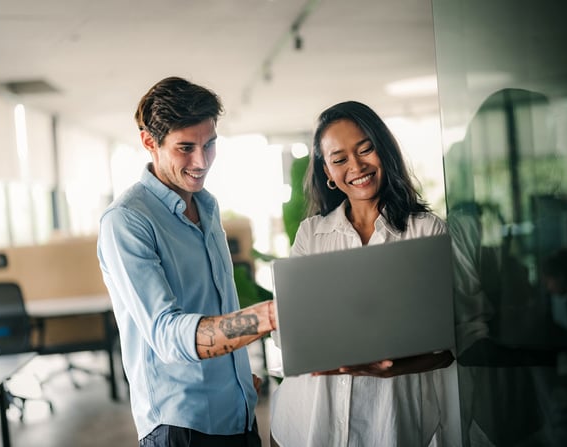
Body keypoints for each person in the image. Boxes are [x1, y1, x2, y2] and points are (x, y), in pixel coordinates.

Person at [97, 76, 276, 447]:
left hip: (238, 415)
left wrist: (237, 378)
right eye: (185, 147)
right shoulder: (127, 221)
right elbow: (166, 333)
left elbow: (214, 308)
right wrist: (268, 316)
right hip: (180, 429)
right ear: (150, 142)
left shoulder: (207, 207)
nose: (201, 161)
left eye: (209, 145)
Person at [269, 101, 457, 446]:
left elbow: (452, 344)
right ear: (327, 172)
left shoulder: (427, 231)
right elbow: (289, 332)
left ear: (384, 151)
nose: (356, 166)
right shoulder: (312, 234)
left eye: (365, 149)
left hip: (388, 422)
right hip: (312, 421)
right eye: (339, 159)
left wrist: (394, 366)